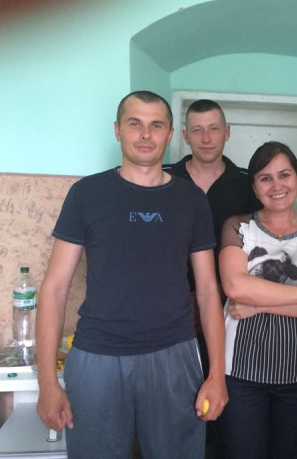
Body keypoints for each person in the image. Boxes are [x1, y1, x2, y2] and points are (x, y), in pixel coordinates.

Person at [35, 91, 227, 459]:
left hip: (175, 354)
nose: (145, 134)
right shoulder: (86, 194)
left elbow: (207, 290)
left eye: (156, 125)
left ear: (170, 134)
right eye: (135, 123)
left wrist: (216, 375)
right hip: (97, 356)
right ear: (117, 130)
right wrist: (47, 382)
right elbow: (55, 289)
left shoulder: (190, 200)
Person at [215, 141, 297, 459]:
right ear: (254, 187)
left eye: (284, 175)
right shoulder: (238, 227)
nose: (276, 186)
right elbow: (235, 286)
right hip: (241, 375)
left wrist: (257, 303)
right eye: (265, 178)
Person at [164, 99, 257, 371]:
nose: (206, 138)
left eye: (214, 129)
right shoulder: (161, 179)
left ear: (226, 132)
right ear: (185, 136)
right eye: (197, 130)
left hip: (234, 309)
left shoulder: (249, 184)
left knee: (223, 384)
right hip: (168, 309)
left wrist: (218, 296)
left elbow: (263, 246)